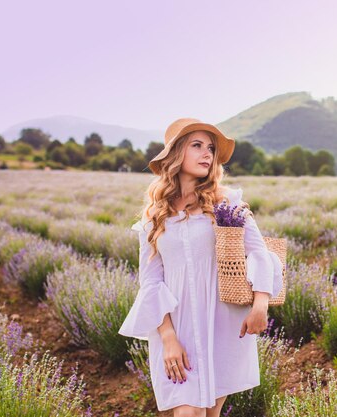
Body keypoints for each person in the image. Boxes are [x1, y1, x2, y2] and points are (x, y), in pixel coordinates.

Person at [118, 118, 284, 417]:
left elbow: (259, 252)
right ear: (176, 153)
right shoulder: (154, 216)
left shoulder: (226, 203)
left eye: (210, 148)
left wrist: (261, 305)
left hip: (222, 324)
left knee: (209, 413)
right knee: (188, 412)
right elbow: (151, 283)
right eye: (197, 145)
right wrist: (168, 338)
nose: (207, 153)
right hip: (176, 329)